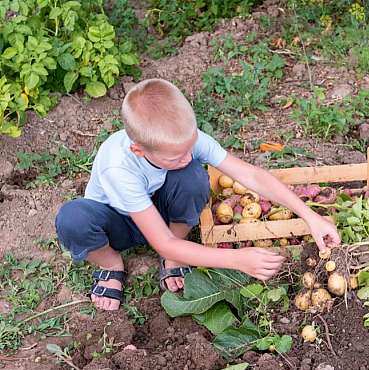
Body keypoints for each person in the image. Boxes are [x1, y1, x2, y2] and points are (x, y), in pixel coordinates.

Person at [55, 78, 340, 311]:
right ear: (139, 150)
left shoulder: (181, 142)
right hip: (117, 222)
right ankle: (110, 264)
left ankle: (177, 254)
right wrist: (238, 260)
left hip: (158, 211)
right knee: (73, 219)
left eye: (190, 147)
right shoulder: (118, 168)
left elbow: (251, 176)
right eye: (176, 156)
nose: (188, 155)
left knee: (192, 176)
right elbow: (162, 243)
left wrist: (309, 215)